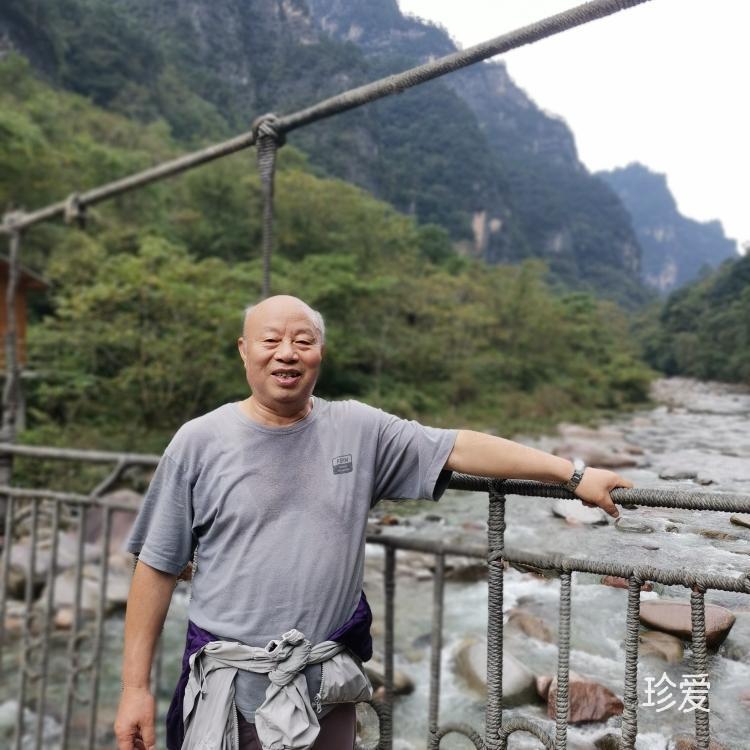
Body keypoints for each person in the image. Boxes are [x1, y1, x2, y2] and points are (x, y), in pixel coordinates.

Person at [114, 295, 632, 750]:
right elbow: (157, 566)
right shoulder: (198, 442)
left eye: (303, 340)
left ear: (320, 352)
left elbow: (457, 446)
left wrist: (572, 474)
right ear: (244, 350)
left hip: (326, 692)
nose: (287, 353)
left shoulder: (357, 429)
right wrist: (135, 689)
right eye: (270, 340)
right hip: (232, 697)